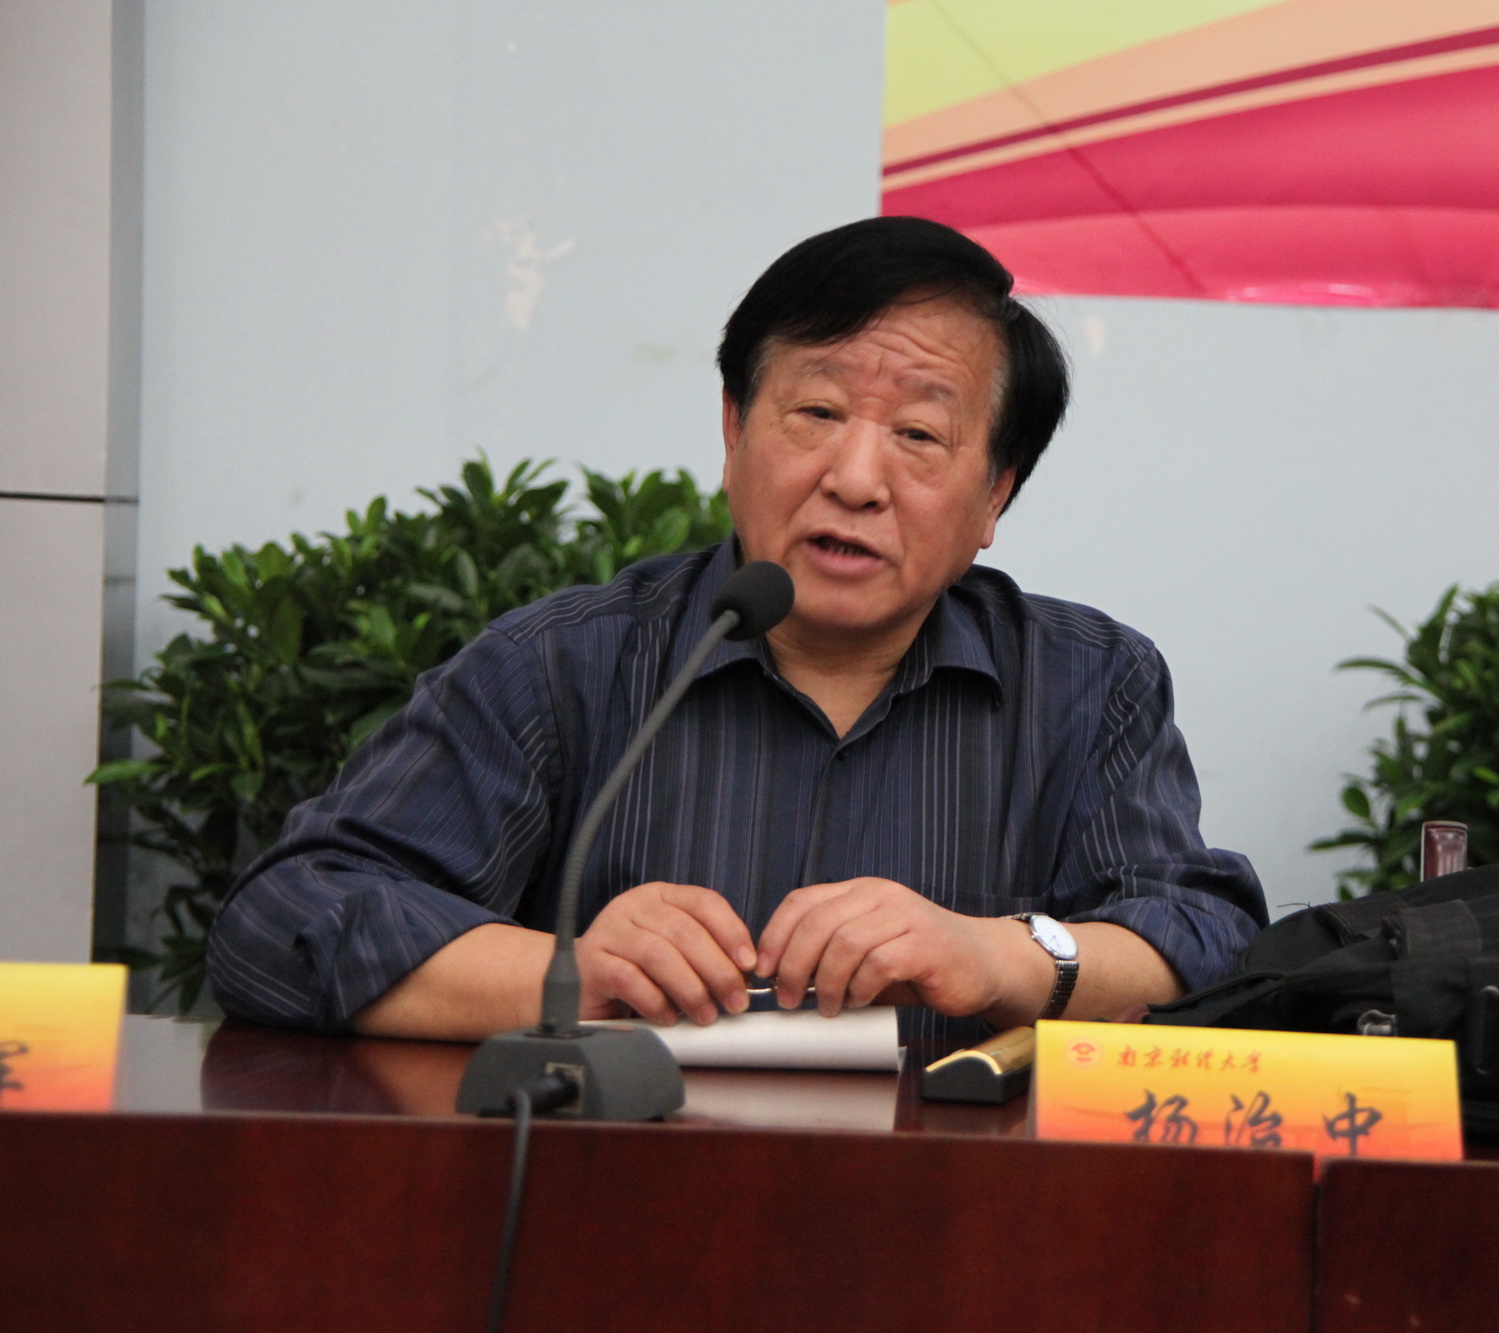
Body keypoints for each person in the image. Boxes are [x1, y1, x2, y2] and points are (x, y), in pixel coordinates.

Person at [209, 217, 1266, 1051]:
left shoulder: (1087, 684)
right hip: (618, 1192)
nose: (855, 478)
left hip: (957, 1211)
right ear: (734, 429)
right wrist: (570, 975)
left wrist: (996, 957)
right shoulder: (563, 666)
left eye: (917, 433)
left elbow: (1207, 940)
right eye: (816, 414)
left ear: (994, 494)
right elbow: (280, 922)